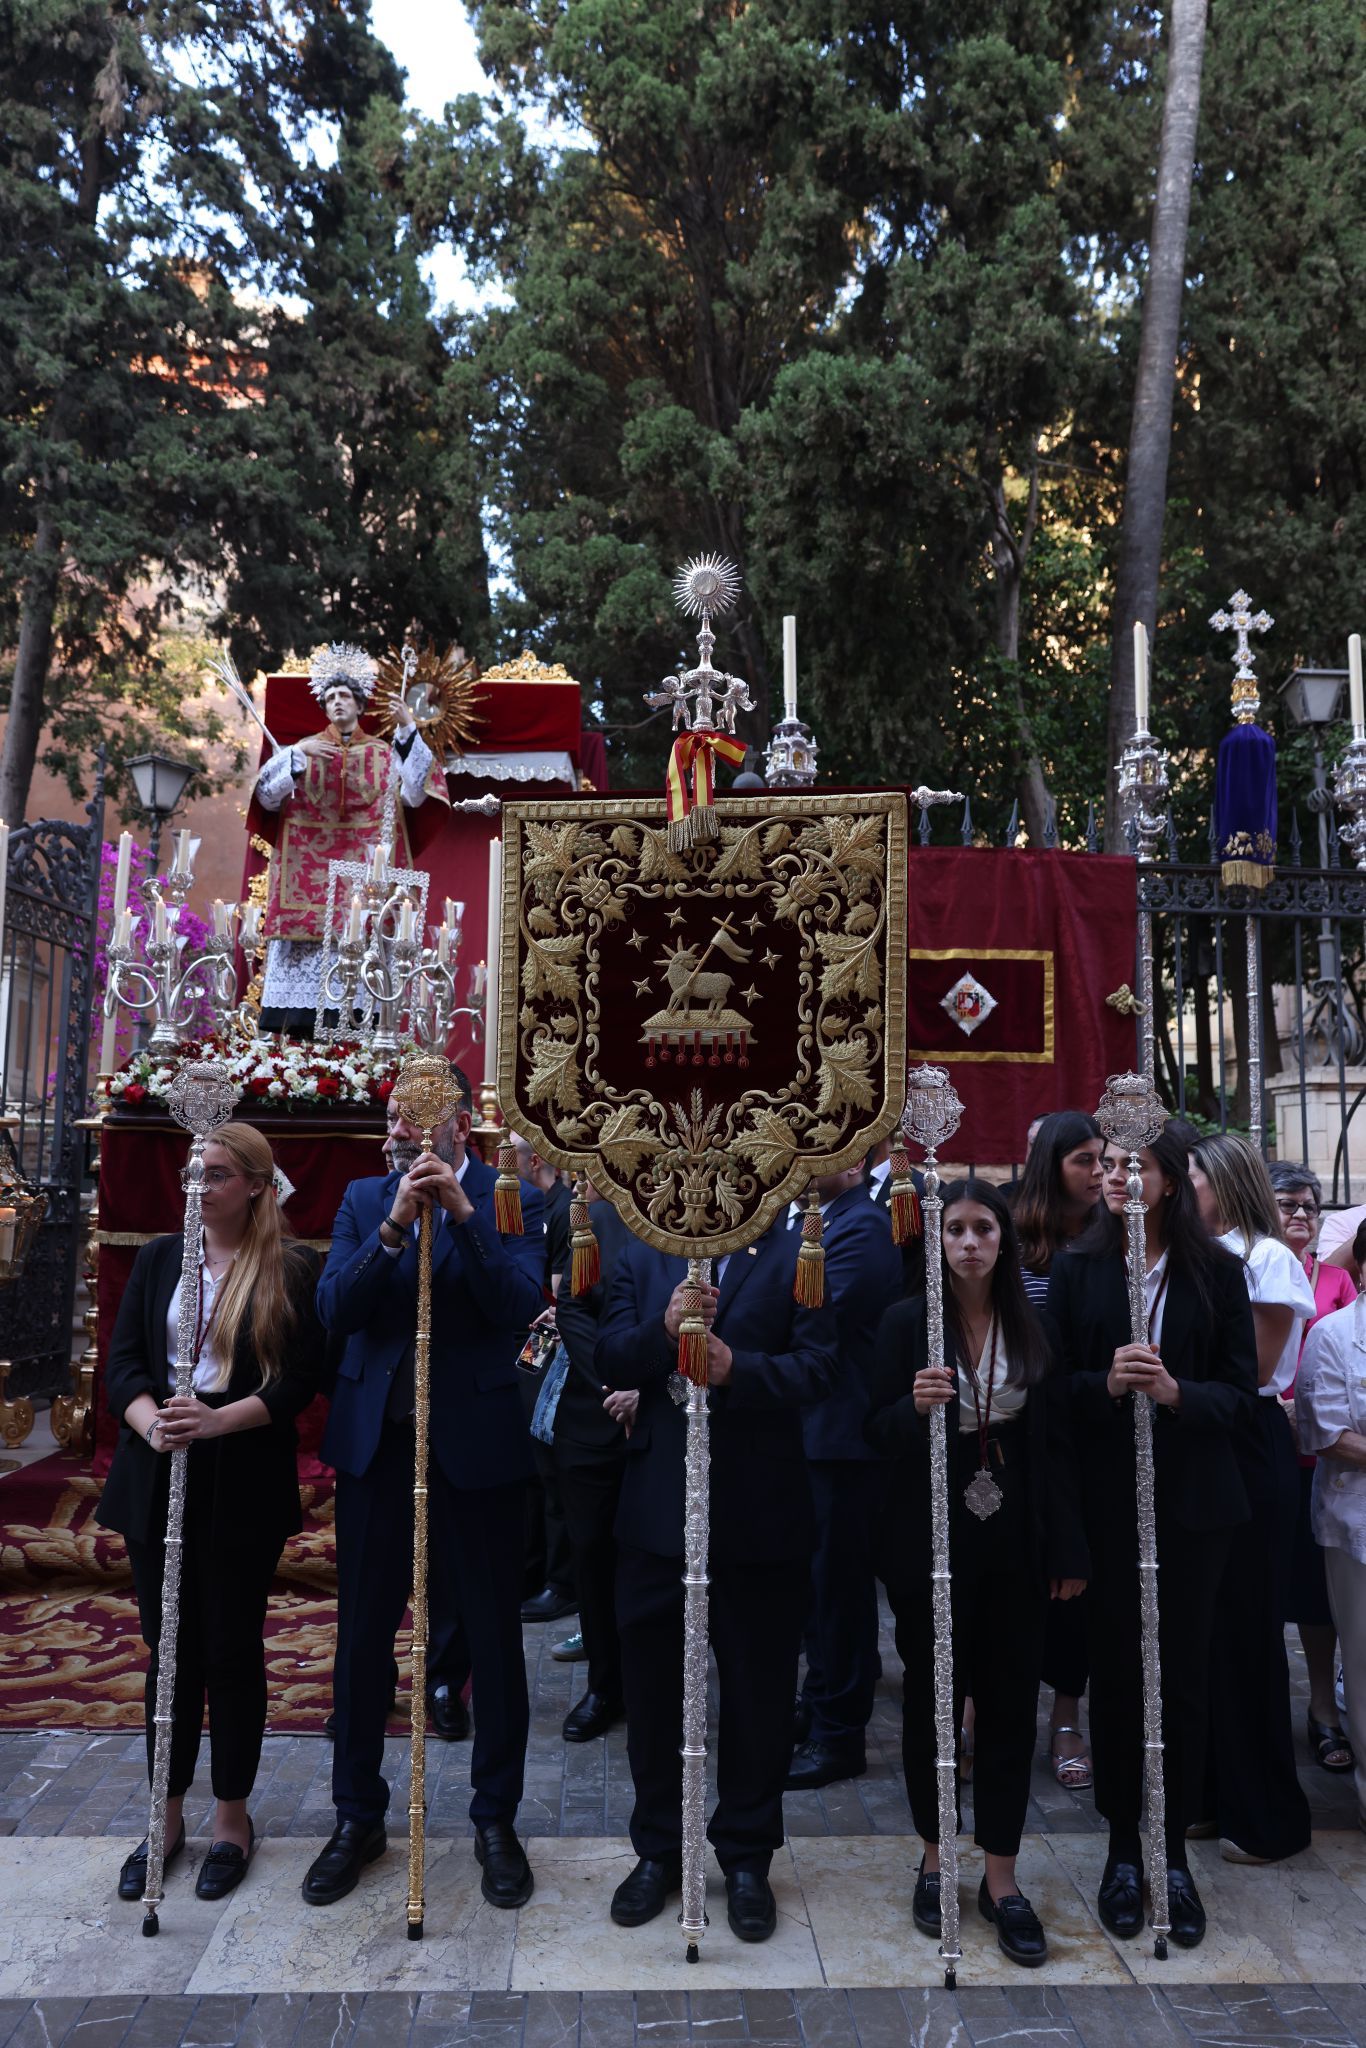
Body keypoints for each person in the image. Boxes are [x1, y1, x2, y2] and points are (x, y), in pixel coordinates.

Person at [306, 1063, 545, 1911]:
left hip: (474, 1449)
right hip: (379, 1448)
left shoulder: (508, 1198)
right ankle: (356, 1814)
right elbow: (336, 1309)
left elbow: (517, 1300)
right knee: (365, 1635)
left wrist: (466, 1215)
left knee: (492, 1636)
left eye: (428, 1115)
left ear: (461, 1119)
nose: (413, 1131)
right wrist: (398, 1227)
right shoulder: (368, 1200)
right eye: (401, 1116)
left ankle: (494, 1819)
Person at [100, 1123, 325, 1903]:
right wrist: (150, 1423)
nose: (199, 1186)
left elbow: (299, 1380)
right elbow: (123, 1360)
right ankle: (163, 1819)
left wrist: (219, 1421)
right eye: (193, 1172)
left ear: (258, 1186)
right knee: (169, 1650)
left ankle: (232, 1818)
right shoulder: (163, 1257)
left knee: (230, 1647)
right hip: (155, 1470)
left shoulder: (288, 1267)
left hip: (239, 1476)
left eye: (219, 1174)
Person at [596, 1221, 838, 1942]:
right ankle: (659, 1850)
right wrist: (662, 1330)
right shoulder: (640, 1252)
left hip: (760, 1516)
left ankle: (746, 1857)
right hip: (655, 1518)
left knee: (759, 1695)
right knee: (651, 1695)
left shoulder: (798, 1254)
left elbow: (820, 1368)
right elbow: (607, 1352)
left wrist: (739, 1370)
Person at [1047, 1124, 1258, 1949]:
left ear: (1172, 1180)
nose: (1115, 1176)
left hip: (1195, 1510)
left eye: (1136, 1164)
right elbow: (1054, 1392)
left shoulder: (1219, 1272)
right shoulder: (1078, 1268)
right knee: (1118, 1673)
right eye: (1105, 1163)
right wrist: (1103, 1383)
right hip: (1107, 1509)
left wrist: (1176, 1392)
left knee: (1185, 1676)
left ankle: (1172, 1850)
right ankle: (1121, 1850)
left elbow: (1244, 1398)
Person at [867, 1181, 1087, 1967]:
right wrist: (913, 1409)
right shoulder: (906, 1326)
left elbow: (1056, 1446)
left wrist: (1067, 1551)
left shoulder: (1037, 1326)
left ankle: (1002, 1875)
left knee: (1005, 1708)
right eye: (954, 1229)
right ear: (937, 1241)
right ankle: (935, 1857)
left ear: (1004, 1240)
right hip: (930, 1545)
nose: (968, 1242)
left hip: (1016, 1543)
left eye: (981, 1228)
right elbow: (871, 1432)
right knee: (933, 1706)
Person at [1188, 1133, 1315, 1864]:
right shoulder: (1199, 1254)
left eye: (1192, 1175)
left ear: (1221, 1182)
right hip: (1204, 1435)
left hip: (1244, 1434)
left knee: (1246, 1631)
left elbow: (1254, 1368)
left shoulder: (1263, 1256)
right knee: (1204, 1632)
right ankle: (1209, 1794)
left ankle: (1267, 1816)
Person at [252, 641, 446, 1034]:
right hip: (305, 890)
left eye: (345, 696)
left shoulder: (384, 753)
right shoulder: (303, 751)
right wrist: (293, 758)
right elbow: (266, 799)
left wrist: (408, 730)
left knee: (361, 1014)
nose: (338, 702)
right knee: (299, 1022)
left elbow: (416, 793)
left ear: (359, 705)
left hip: (364, 887)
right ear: (323, 707)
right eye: (331, 697)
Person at [785, 1160, 903, 1791]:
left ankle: (841, 1734)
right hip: (809, 1431)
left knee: (839, 1594)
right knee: (814, 1592)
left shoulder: (862, 1225)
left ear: (853, 1161)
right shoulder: (810, 1218)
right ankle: (820, 1699)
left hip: (842, 1434)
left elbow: (809, 1304)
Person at [1011, 1114, 1105, 1790]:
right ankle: (983, 1708)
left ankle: (1066, 1716)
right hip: (1014, 1430)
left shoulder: (1114, 1242)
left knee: (1076, 1587)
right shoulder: (1012, 1235)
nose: (1100, 1172)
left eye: (1104, 1160)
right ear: (1053, 1165)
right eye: (1085, 1160)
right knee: (1007, 1582)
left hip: (1085, 1430)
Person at [1268, 1160, 1357, 1777]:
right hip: (1272, 1447)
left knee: (1320, 1600)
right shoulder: (1250, 1269)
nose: (1301, 1215)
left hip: (1325, 1458)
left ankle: (1324, 1708)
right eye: (1288, 1204)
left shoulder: (1337, 1280)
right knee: (1272, 1586)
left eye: (1310, 1205)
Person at [549, 1190, 638, 1741]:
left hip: (670, 1408)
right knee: (593, 1555)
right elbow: (574, 1310)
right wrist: (612, 1383)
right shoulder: (593, 1216)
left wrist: (648, 1389)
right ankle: (605, 1685)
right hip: (593, 1410)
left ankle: (668, 1682)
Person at [1296, 1226, 1366, 1832]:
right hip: (1357, 1524)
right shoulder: (1334, 1336)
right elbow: (1329, 1434)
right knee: (1363, 1661)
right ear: (1361, 1271)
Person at [510, 1133, 577, 1626]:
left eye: (511, 1153)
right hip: (544, 1340)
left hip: (558, 1344)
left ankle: (560, 1581)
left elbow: (556, 1289)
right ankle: (539, 1571)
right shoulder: (543, 1204)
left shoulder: (557, 1208)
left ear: (534, 1160)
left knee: (549, 1469)